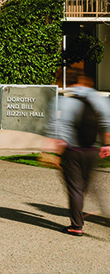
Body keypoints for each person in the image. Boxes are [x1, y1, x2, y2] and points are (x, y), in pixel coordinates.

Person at [45, 74, 110, 236]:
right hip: (92, 151)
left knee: (75, 188)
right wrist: (107, 144)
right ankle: (85, 212)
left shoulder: (65, 100)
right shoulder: (99, 99)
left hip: (72, 151)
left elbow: (57, 126)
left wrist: (54, 152)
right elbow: (106, 122)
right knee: (86, 186)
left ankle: (76, 226)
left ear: (73, 84)